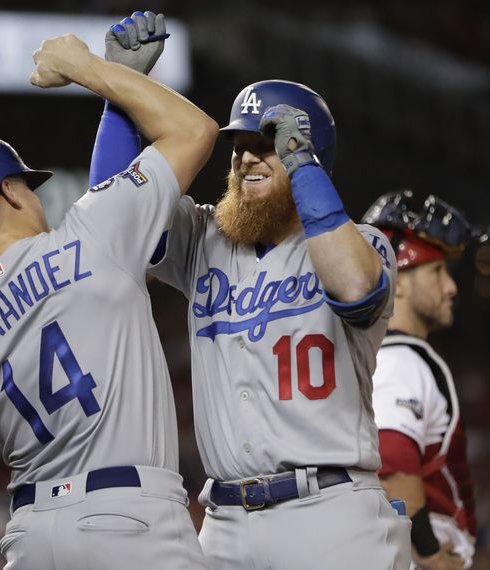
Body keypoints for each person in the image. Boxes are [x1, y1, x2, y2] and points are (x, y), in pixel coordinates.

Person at [90, 13, 411, 569]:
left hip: (331, 511)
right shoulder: (204, 237)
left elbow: (357, 288)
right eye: (238, 145)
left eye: (266, 145)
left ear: (308, 153)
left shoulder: (361, 243)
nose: (245, 158)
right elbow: (111, 219)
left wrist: (302, 166)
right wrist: (120, 96)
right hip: (225, 524)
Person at [0, 26, 218, 570]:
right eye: (26, 185)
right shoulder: (88, 236)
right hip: (130, 522)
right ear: (8, 191)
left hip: (31, 537)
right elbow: (194, 129)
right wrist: (89, 69)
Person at [363, 190, 490, 569]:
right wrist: (431, 554)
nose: (451, 287)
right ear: (398, 281)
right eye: (436, 271)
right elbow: (392, 464)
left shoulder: (381, 357)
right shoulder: (401, 361)